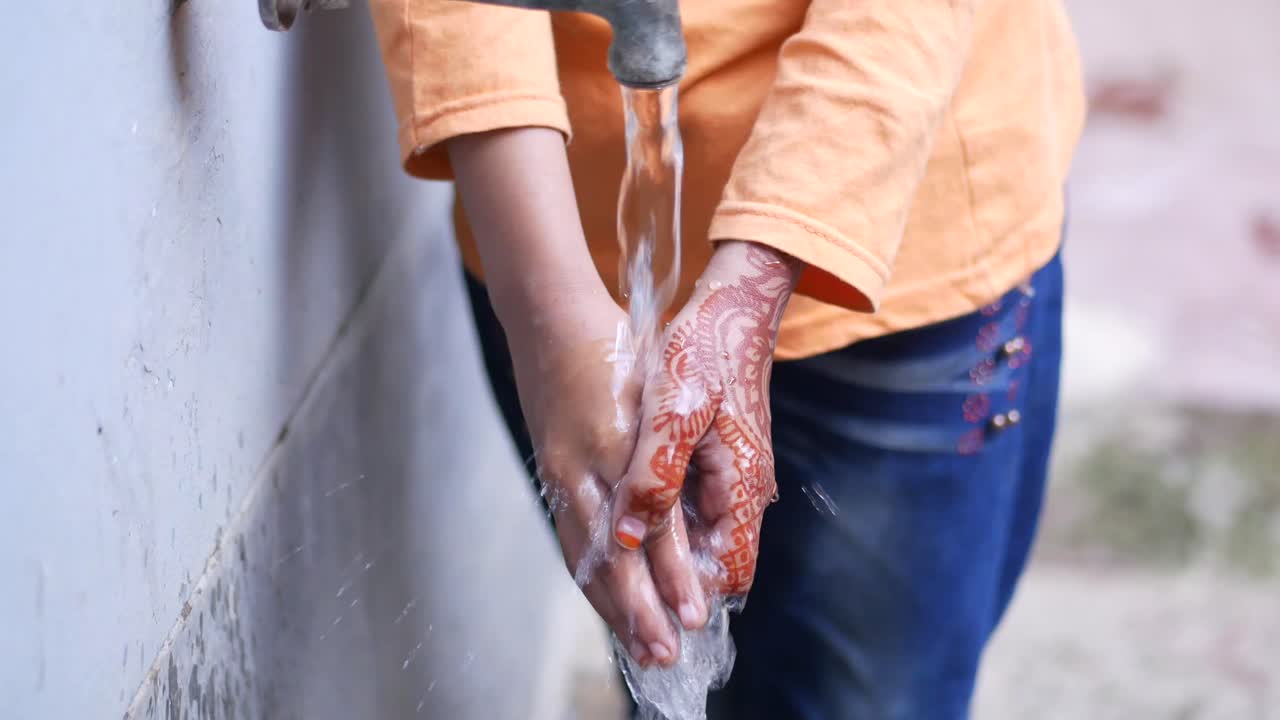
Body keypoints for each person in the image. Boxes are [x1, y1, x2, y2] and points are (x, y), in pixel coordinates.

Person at [369, 0, 1084, 716]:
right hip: (550, 226)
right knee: (672, 666)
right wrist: (548, 311)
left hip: (897, 229)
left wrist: (761, 270)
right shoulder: (551, 296)